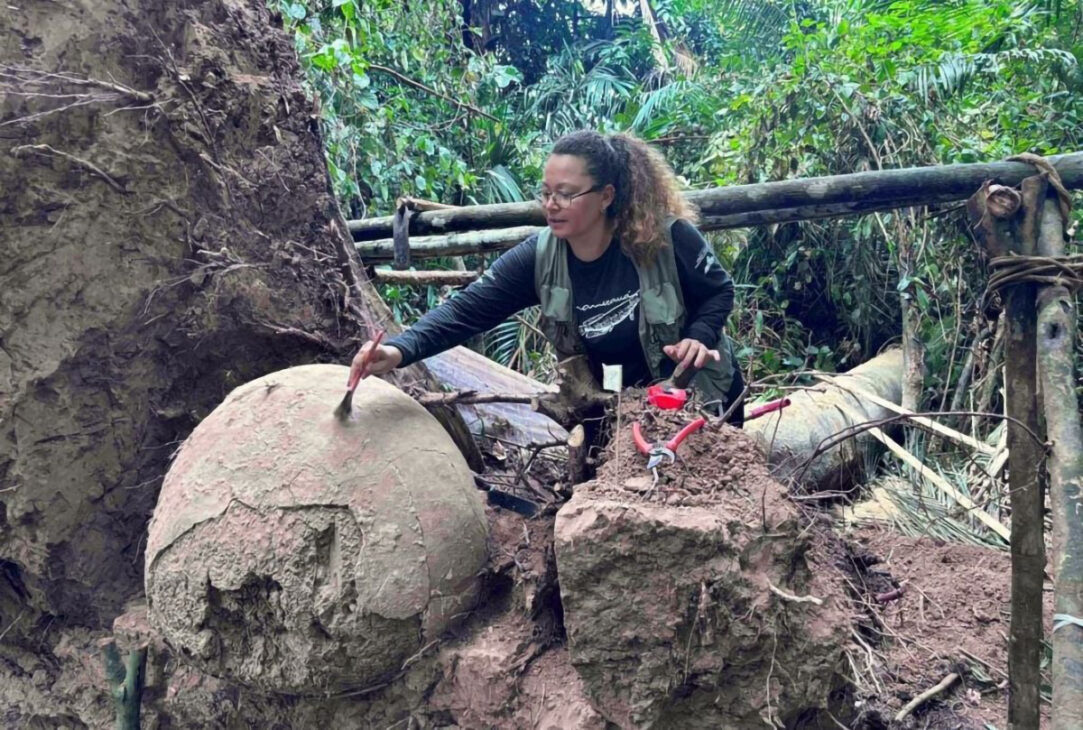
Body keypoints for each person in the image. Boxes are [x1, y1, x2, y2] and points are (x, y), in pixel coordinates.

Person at [349, 130, 745, 425]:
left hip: (697, 405)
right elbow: (466, 310)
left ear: (606, 196)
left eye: (566, 194)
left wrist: (699, 336)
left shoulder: (667, 238)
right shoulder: (539, 258)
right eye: (546, 193)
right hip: (618, 412)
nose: (551, 205)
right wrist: (399, 351)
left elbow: (719, 292)